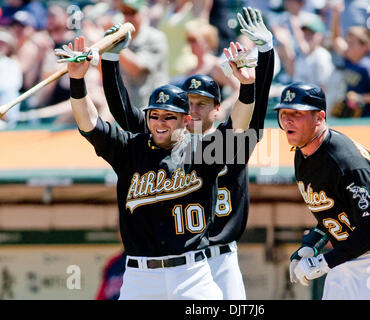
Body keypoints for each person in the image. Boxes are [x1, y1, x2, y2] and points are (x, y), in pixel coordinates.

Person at [100, 7, 275, 299]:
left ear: (218, 107)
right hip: (179, 260)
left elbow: (255, 106)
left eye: (202, 103)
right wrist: (110, 60)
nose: (194, 109)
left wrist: (266, 52)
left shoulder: (231, 142)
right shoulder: (163, 141)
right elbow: (124, 113)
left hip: (218, 255)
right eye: (189, 102)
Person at [65, 31, 255, 299]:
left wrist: (247, 87)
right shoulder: (131, 148)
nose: (160, 122)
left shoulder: (201, 151)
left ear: (185, 120)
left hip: (192, 273)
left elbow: (238, 126)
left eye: (169, 116)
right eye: (154, 115)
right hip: (141, 276)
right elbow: (90, 123)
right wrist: (77, 79)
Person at [274, 82, 370, 299]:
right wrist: (313, 243)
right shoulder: (302, 153)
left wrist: (324, 262)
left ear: (319, 117)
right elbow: (334, 209)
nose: (287, 119)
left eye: (297, 113)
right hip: (352, 252)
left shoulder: (345, 159)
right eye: (284, 113)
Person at [328, 2, 370, 118]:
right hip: (352, 119)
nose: (347, 46)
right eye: (347, 42)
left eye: (352, 43)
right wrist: (336, 17)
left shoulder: (367, 66)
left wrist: (360, 98)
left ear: (365, 47)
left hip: (367, 122)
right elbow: (336, 39)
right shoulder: (349, 59)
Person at [113, 0, 169, 108]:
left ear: (143, 14)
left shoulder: (155, 37)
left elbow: (136, 69)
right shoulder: (123, 38)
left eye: (133, 12)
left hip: (154, 108)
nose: (128, 17)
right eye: (125, 12)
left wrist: (114, 42)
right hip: (127, 106)